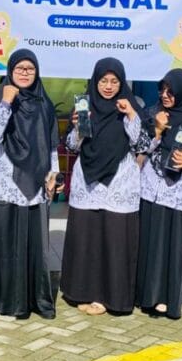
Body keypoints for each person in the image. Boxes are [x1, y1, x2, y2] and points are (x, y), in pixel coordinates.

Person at [0, 49, 59, 319]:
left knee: (33, 245)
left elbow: (52, 145)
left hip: (36, 182)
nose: (24, 73)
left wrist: (54, 174)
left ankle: (32, 300)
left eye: (30, 69)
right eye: (19, 68)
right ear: (10, 71)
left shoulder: (44, 103)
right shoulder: (0, 98)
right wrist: (6, 103)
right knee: (5, 243)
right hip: (6, 180)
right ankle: (4, 300)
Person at [60, 58, 145, 316]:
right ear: (95, 82)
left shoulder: (131, 108)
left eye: (114, 81)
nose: (108, 86)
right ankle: (83, 291)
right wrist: (78, 127)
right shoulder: (85, 107)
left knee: (114, 239)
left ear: (122, 83)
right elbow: (72, 146)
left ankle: (111, 297)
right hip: (87, 180)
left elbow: (141, 144)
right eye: (103, 81)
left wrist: (131, 114)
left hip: (119, 181)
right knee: (87, 238)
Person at [136, 68, 182, 319]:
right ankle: (146, 295)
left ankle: (166, 297)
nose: (165, 95)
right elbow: (140, 148)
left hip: (178, 191)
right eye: (162, 90)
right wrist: (157, 130)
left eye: (171, 91)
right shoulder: (152, 113)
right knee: (150, 243)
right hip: (151, 188)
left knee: (173, 246)